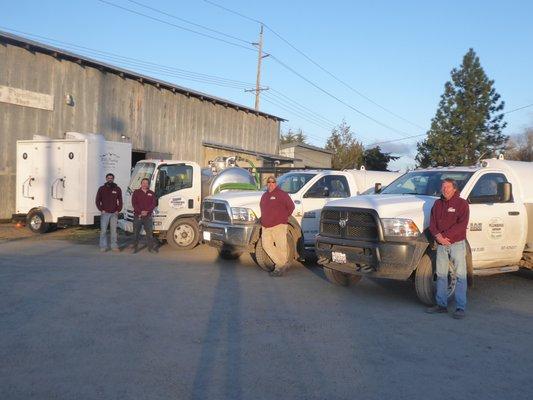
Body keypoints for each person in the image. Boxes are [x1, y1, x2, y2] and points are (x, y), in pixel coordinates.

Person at [427, 178, 470, 319]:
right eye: (443, 187)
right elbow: (432, 223)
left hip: (456, 244)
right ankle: (441, 305)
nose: (445, 189)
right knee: (441, 275)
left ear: (454, 189)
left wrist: (445, 237)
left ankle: (460, 307)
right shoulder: (437, 204)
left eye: (448, 187)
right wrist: (438, 237)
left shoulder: (462, 204)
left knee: (460, 276)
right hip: (441, 245)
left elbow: (461, 225)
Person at [259, 175, 295, 277]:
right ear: (267, 184)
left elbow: (291, 207)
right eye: (269, 182)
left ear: (276, 183)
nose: (271, 184)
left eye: (273, 182)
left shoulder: (282, 194)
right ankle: (282, 264)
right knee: (266, 246)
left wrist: (283, 217)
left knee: (281, 247)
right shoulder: (264, 195)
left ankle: (279, 268)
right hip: (265, 226)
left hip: (278, 225)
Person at [95, 173, 123, 252]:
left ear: (113, 179)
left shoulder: (117, 189)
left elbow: (120, 200)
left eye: (111, 178)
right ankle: (103, 246)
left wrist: (118, 210)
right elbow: (97, 200)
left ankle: (114, 246)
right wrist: (101, 209)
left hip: (114, 213)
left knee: (114, 231)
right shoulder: (101, 189)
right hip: (105, 213)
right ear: (106, 179)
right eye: (108, 178)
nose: (110, 179)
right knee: (103, 231)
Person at [132, 178, 157, 253]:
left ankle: (151, 248)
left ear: (148, 184)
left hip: (148, 216)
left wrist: (147, 211)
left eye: (146, 183)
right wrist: (140, 211)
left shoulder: (152, 193)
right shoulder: (136, 192)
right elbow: (134, 203)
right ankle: (135, 248)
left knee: (149, 234)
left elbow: (153, 204)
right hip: (138, 216)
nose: (145, 184)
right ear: (141, 183)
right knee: (136, 233)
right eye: (143, 183)